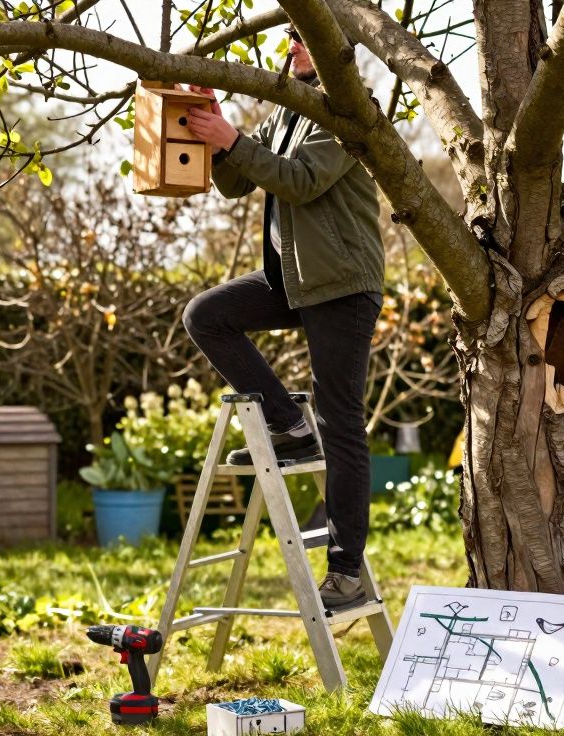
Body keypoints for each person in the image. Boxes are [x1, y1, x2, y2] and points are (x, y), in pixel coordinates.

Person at [180, 25, 384, 609]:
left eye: (302, 35)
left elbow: (301, 182)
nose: (291, 44)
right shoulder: (289, 108)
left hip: (341, 283)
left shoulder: (348, 108)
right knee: (206, 315)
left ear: (334, 44)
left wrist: (233, 138)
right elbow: (236, 182)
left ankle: (345, 573)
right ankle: (291, 428)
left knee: (341, 423)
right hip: (294, 279)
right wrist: (218, 131)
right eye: (289, 34)